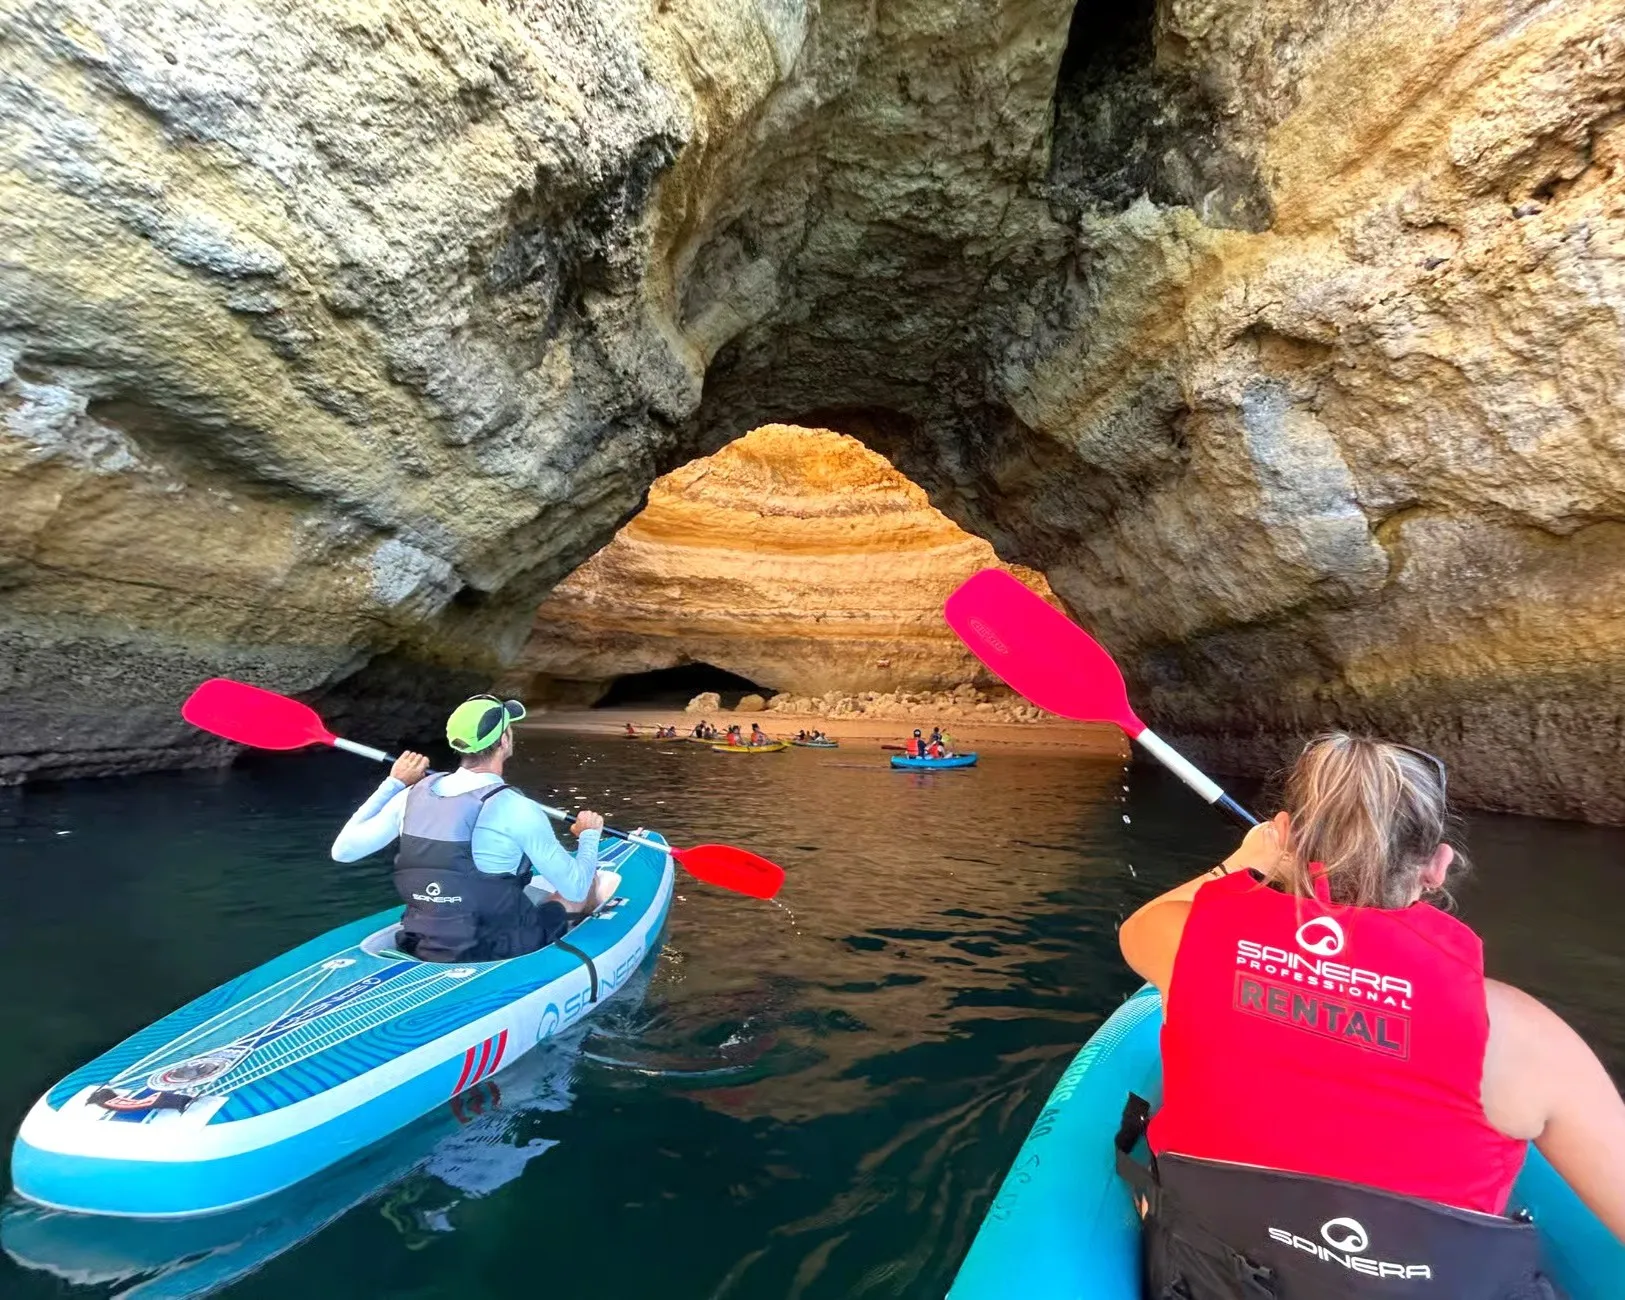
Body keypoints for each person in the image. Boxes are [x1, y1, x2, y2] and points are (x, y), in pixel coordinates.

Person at [1117, 734, 1625, 1299]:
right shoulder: (1524, 1036)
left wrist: (1247, 861)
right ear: (1437, 866)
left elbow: (1142, 925)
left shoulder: (1190, 947)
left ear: (1287, 837)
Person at [331, 695, 606, 964]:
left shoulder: (410, 795)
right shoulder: (518, 807)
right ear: (504, 741)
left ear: (456, 744)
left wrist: (393, 784)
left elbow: (343, 851)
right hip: (500, 947)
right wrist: (589, 835)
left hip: (422, 940)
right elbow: (576, 888)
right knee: (585, 883)